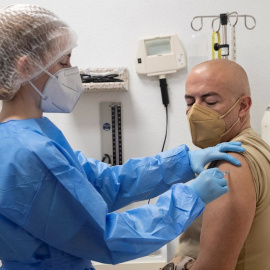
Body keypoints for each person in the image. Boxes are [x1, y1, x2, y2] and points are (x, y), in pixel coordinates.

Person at [0, 5, 245, 270]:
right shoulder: (26, 152)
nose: (71, 70)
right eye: (63, 62)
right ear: (25, 67)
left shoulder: (34, 134)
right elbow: (105, 238)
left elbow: (103, 184)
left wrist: (184, 162)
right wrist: (190, 197)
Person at [162, 59, 270, 270]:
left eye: (210, 102)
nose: (195, 112)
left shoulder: (232, 164)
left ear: (243, 106)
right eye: (190, 102)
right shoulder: (257, 147)